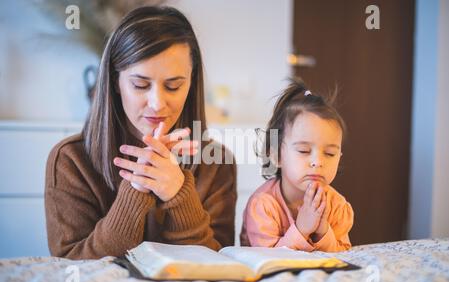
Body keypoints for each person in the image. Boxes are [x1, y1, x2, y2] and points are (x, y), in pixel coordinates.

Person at [45, 6, 236, 259]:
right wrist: (137, 187)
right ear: (115, 81)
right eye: (140, 84)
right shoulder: (70, 161)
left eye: (173, 85)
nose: (157, 103)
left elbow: (218, 265)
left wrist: (179, 194)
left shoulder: (217, 163)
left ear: (191, 82)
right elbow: (71, 267)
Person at [240, 80, 353, 252]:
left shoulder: (337, 206)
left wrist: (322, 231)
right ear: (277, 156)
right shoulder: (263, 206)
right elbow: (265, 260)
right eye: (304, 150)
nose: (318, 162)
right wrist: (302, 229)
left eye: (329, 153)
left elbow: (345, 256)